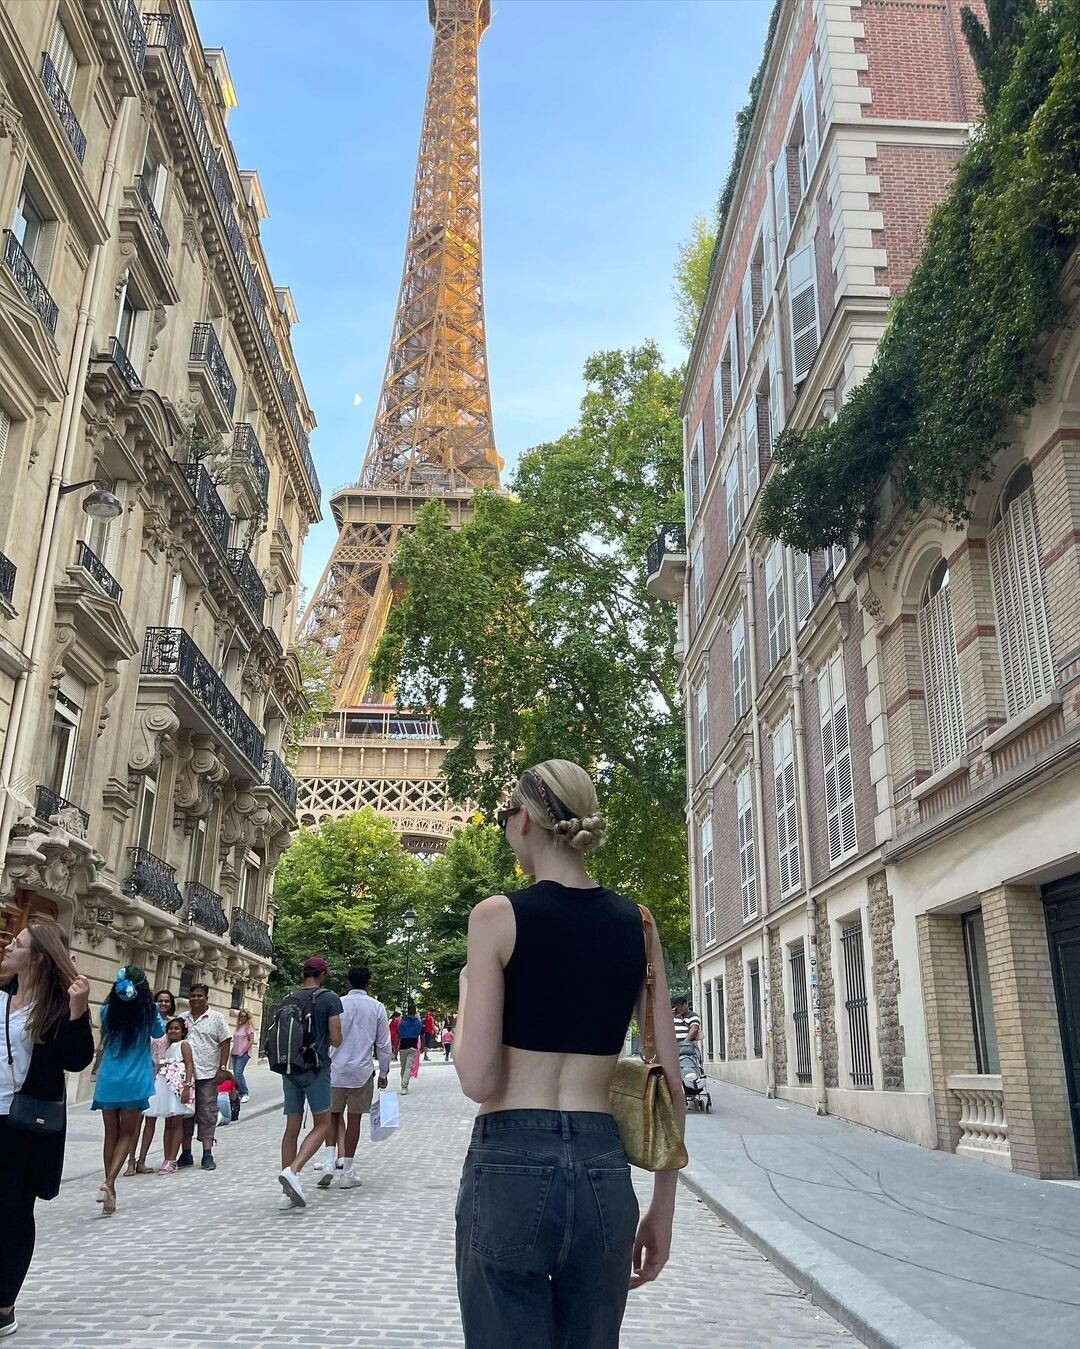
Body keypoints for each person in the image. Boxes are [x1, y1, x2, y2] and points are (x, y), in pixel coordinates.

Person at [453, 759, 684, 1349]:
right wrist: (663, 1207)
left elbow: (477, 1079)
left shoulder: (496, 917)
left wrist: (466, 996)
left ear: (526, 819)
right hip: (601, 1160)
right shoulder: (639, 925)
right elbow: (670, 1081)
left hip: (509, 1157)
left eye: (506, 815)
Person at [0, 921, 92, 1338]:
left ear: (37, 958)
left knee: (14, 1210)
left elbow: (76, 1060)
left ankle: (4, 1304)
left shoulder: (56, 1007)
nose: (8, 946)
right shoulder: (2, 995)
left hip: (24, 1124)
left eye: (17, 943)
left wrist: (78, 1012)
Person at [92, 966, 166, 1213]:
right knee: (127, 1134)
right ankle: (109, 1182)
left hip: (109, 1078)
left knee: (110, 1134)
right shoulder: (149, 1010)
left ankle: (110, 1191)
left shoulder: (106, 1010)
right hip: (135, 1078)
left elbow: (105, 1031)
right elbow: (159, 1032)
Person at [277, 956, 343, 1209]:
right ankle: (293, 1171)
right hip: (316, 1069)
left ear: (303, 974)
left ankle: (286, 1194)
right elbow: (336, 1039)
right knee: (323, 1124)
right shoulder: (329, 998)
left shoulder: (289, 997)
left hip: (289, 1068)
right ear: (323, 974)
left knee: (291, 1127)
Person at [321, 966, 391, 1190]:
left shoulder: (337, 1004)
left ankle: (328, 1163)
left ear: (348, 982)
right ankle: (347, 1171)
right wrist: (384, 1072)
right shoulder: (377, 1007)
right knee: (354, 1120)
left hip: (335, 1069)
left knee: (332, 1117)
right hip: (361, 1071)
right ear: (368, 983)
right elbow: (383, 1044)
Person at [126, 988, 178, 1176]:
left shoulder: (172, 1025)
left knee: (151, 1120)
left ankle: (142, 1160)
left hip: (161, 1076)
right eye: (160, 1000)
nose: (163, 1004)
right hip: (144, 1072)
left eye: (167, 1001)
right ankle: (130, 1161)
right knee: (136, 1120)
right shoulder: (145, 1022)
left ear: (171, 1004)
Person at [179, 984, 231, 1171]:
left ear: (206, 998)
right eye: (192, 995)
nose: (195, 999)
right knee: (185, 1114)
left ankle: (207, 1153)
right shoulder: (182, 1018)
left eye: (199, 996)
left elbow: (226, 1042)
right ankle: (186, 1153)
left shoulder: (216, 1018)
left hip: (208, 1073)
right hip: (186, 1075)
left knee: (207, 1113)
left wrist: (222, 1068)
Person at [144, 1017, 194, 1174]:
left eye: (176, 1028)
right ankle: (167, 1158)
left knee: (177, 1122)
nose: (173, 1031)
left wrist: (187, 1086)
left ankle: (172, 1159)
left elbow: (189, 1064)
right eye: (170, 1028)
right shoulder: (168, 1047)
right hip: (166, 1084)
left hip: (178, 1084)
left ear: (183, 1031)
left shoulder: (184, 1044)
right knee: (168, 1123)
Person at [396, 1003, 423, 1093]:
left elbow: (397, 1036)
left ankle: (404, 1085)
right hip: (413, 1046)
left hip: (403, 1046)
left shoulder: (401, 1023)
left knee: (403, 1067)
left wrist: (395, 1048)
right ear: (415, 1012)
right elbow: (422, 1035)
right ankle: (404, 1086)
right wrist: (422, 1046)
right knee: (409, 1067)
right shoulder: (418, 1023)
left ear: (407, 1012)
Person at [231, 1007, 255, 1103]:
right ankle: (240, 1093)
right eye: (241, 1016)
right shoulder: (239, 1027)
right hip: (235, 1053)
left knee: (238, 1073)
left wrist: (243, 1051)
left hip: (243, 1054)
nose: (242, 1018)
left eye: (244, 1016)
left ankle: (245, 1093)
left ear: (247, 1017)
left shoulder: (248, 1027)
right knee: (236, 1074)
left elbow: (251, 1041)